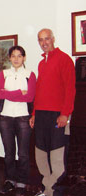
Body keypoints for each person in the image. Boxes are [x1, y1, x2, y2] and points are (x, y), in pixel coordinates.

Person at [30, 29, 76, 196]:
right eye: (40, 40)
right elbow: (40, 91)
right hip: (41, 115)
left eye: (47, 39)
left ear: (53, 39)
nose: (44, 43)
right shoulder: (42, 63)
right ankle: (46, 189)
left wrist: (65, 114)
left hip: (58, 115)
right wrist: (34, 113)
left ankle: (55, 192)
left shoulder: (65, 59)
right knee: (41, 154)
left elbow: (70, 89)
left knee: (57, 155)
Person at [0, 46, 36, 196]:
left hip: (23, 117)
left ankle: (22, 182)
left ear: (24, 58)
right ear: (9, 58)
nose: (16, 59)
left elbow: (30, 97)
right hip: (6, 117)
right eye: (13, 56)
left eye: (19, 56)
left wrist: (8, 93)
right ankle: (10, 180)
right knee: (8, 152)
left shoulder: (30, 74)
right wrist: (20, 93)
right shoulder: (3, 74)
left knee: (23, 153)